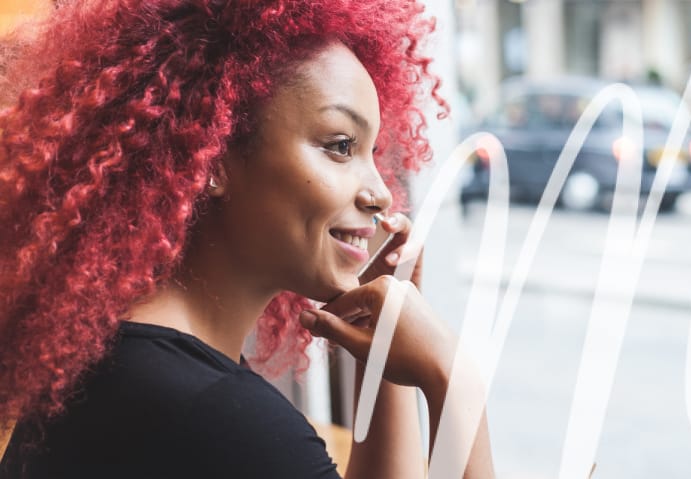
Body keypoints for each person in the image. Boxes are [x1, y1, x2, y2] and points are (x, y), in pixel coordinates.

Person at [0, 0, 494, 478]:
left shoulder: (130, 363)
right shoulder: (219, 416)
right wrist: (453, 380)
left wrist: (381, 355)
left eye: (374, 150)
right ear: (213, 154)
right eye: (341, 146)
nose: (383, 195)